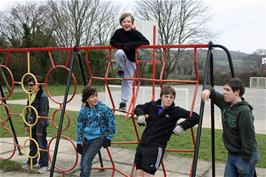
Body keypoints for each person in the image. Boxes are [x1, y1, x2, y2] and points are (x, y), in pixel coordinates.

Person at [134, 85, 200, 176]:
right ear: (161, 96)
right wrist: (140, 114)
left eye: (171, 97)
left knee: (147, 175)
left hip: (155, 148)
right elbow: (138, 107)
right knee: (139, 174)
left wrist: (182, 126)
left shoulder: (175, 111)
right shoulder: (152, 105)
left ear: (174, 99)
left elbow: (196, 117)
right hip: (142, 145)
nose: (168, 99)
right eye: (166, 96)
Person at [201, 77, 259, 177]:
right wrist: (207, 89)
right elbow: (211, 90)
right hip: (232, 154)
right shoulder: (225, 103)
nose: (224, 92)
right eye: (224, 89)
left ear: (237, 92)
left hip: (244, 156)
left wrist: (246, 159)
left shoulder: (244, 111)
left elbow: (249, 137)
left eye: (227, 90)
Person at [110, 12, 150, 111]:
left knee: (127, 81)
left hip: (131, 59)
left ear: (132, 23)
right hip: (122, 56)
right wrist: (124, 46)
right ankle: (120, 70)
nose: (126, 23)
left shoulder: (135, 33)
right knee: (119, 53)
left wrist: (131, 45)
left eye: (129, 21)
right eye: (124, 21)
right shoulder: (118, 32)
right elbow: (112, 42)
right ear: (121, 23)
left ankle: (123, 103)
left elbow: (146, 42)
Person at [76, 86, 116, 177]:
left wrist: (109, 138)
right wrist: (78, 143)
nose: (95, 98)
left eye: (96, 96)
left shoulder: (104, 108)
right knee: (83, 164)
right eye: (92, 97)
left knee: (86, 162)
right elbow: (80, 127)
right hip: (87, 138)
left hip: (99, 137)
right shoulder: (83, 111)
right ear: (86, 99)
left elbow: (112, 123)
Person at [23, 76, 49, 174]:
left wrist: (39, 129)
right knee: (33, 144)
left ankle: (44, 165)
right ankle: (32, 161)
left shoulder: (42, 97)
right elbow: (27, 109)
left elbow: (43, 114)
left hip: (40, 126)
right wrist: (25, 123)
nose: (29, 87)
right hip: (31, 124)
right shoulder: (30, 94)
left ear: (37, 85)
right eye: (28, 85)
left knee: (41, 144)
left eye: (31, 85)